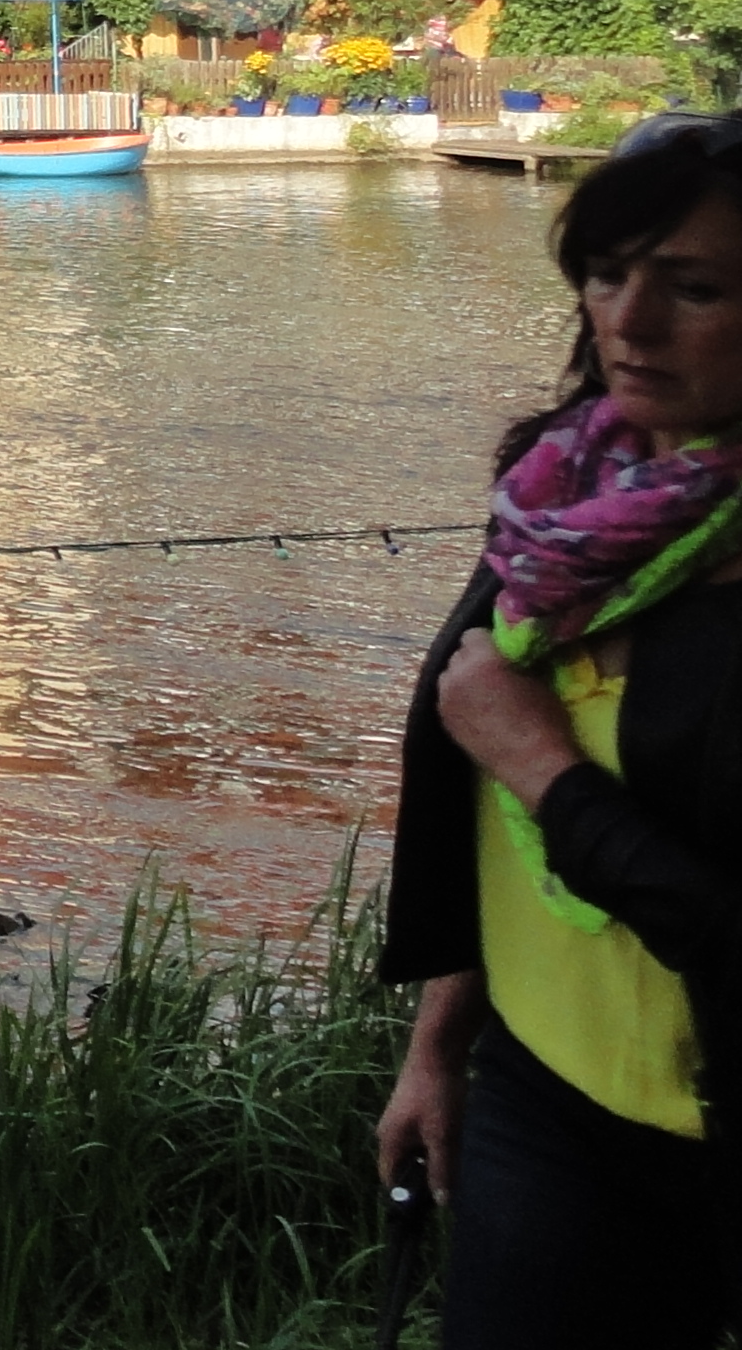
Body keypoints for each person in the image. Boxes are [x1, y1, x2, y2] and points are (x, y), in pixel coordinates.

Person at [379, 112, 742, 1346]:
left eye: (694, 288)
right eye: (606, 273)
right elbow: (479, 810)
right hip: (547, 1105)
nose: (631, 322)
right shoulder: (563, 498)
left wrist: (539, 762)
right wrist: (441, 1045)